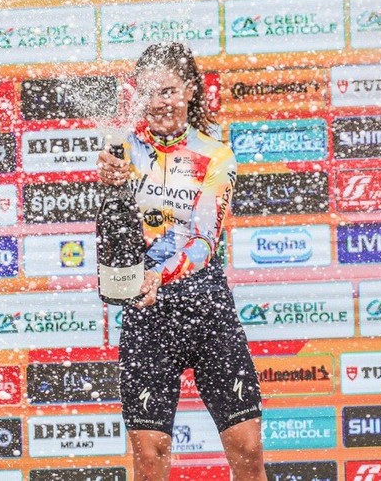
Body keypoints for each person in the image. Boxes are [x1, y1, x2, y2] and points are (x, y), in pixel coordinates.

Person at [97, 42, 265, 481]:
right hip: (148, 316)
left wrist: (161, 273)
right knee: (150, 457)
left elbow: (205, 239)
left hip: (206, 308)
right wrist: (109, 181)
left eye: (168, 91)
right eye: (149, 93)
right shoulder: (123, 150)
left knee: (247, 449)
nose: (158, 103)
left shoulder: (217, 155)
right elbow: (114, 232)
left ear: (190, 90)